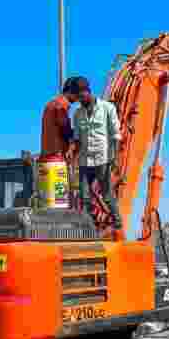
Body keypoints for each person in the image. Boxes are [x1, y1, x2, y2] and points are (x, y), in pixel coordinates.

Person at [70, 76, 123, 230]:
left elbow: (115, 134)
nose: (80, 100)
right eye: (78, 98)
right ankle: (88, 225)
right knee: (84, 196)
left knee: (106, 195)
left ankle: (117, 221)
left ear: (87, 91)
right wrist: (72, 156)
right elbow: (77, 139)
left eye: (81, 97)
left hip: (103, 159)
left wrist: (115, 158)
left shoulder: (107, 108)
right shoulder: (78, 114)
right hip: (85, 161)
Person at [40, 78, 81, 207]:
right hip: (56, 160)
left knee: (51, 204)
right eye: (77, 95)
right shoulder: (61, 105)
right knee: (59, 206)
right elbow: (64, 128)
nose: (78, 99)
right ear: (71, 92)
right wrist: (75, 140)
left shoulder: (51, 104)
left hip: (47, 159)